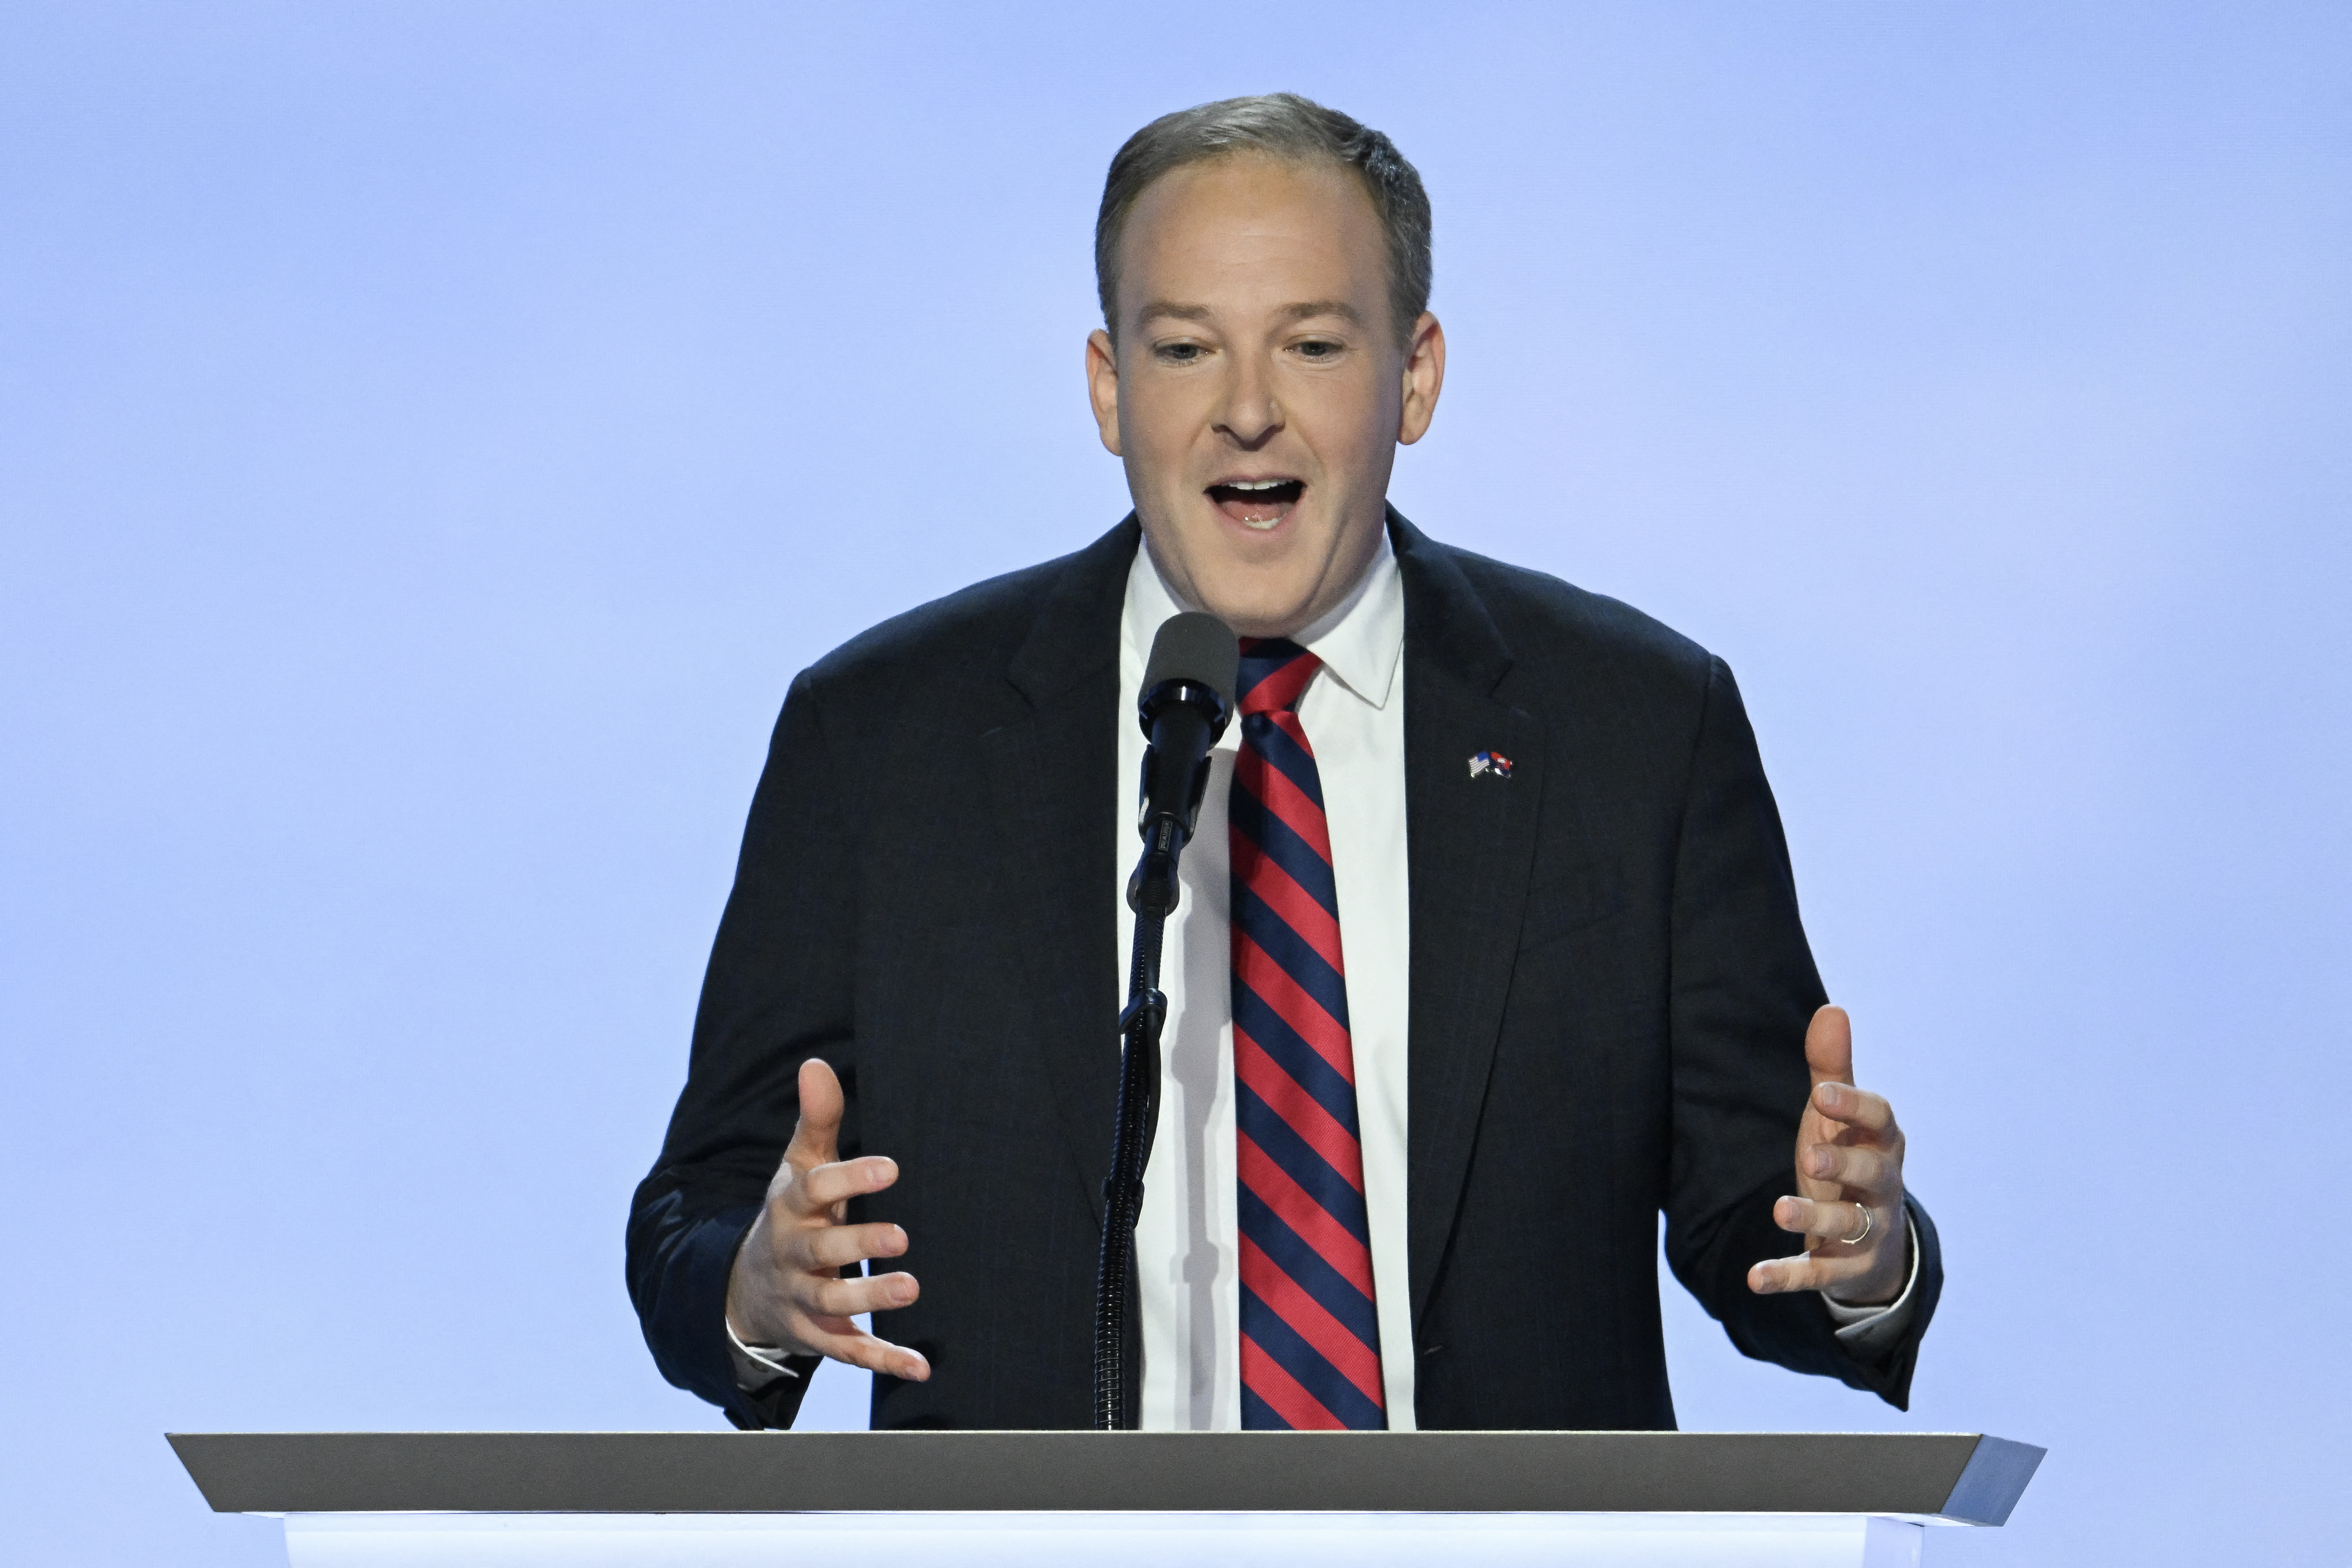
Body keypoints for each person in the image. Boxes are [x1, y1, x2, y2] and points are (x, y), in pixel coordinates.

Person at [627, 93, 1939, 1433]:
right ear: (1107, 385)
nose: (1245, 410)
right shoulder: (883, 740)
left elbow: (1766, 1226)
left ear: (1414, 375)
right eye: (1185, 348)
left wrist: (1858, 1256)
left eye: (1310, 344)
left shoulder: (1636, 730)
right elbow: (700, 1209)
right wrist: (757, 1277)